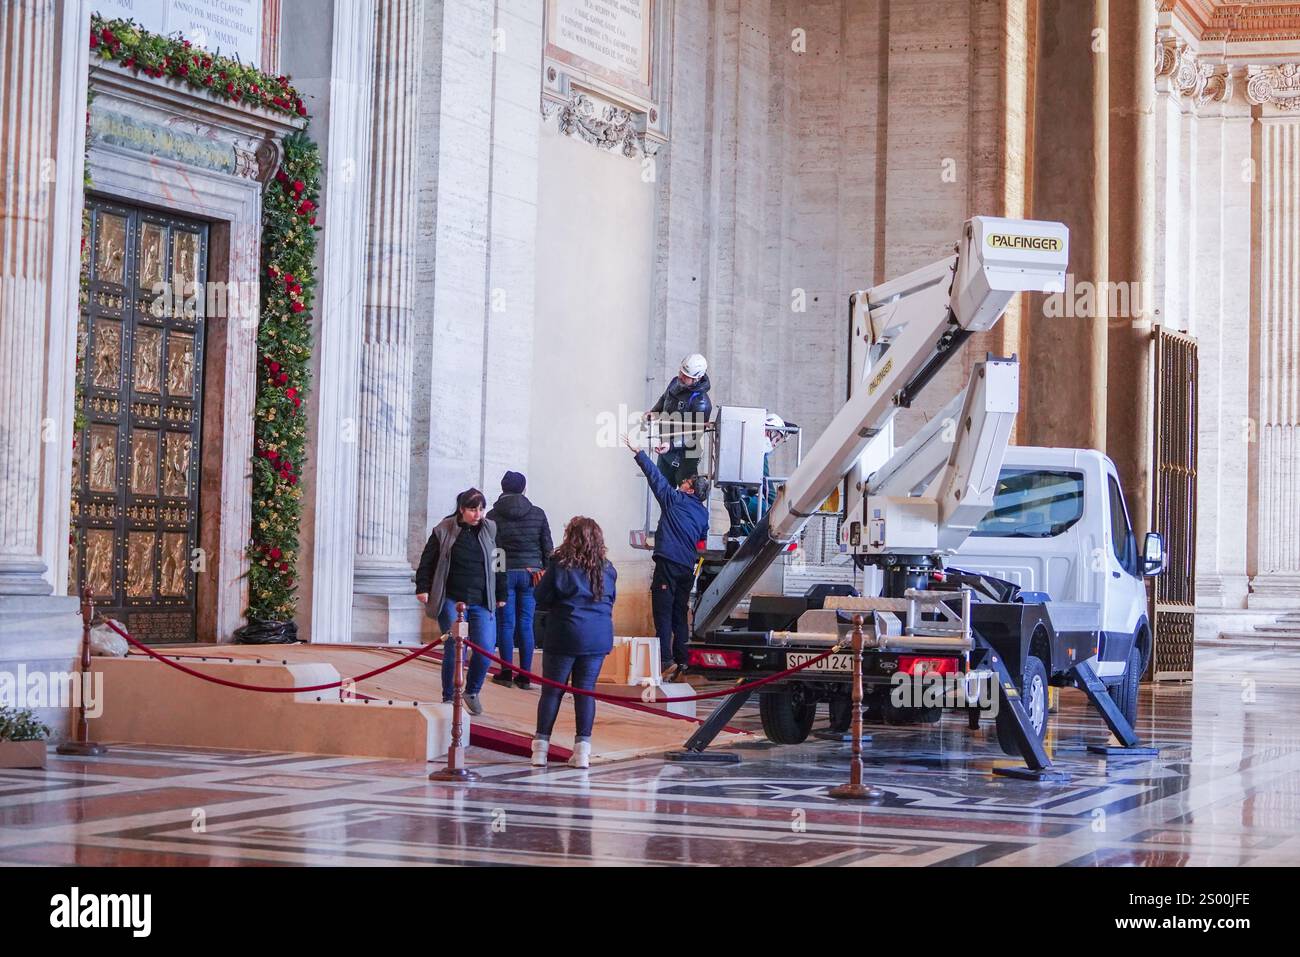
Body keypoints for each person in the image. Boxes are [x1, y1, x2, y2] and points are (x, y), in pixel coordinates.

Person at [531, 517, 617, 770]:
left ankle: (540, 750)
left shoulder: (560, 564)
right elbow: (611, 598)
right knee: (585, 691)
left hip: (565, 632)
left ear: (570, 537)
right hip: (597, 634)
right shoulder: (608, 567)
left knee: (552, 691)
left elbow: (541, 597)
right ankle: (582, 753)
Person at [624, 433, 710, 681]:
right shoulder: (703, 515)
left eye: (685, 482)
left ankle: (664, 660)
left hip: (668, 564)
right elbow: (702, 540)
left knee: (662, 613)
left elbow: (655, 478)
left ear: (690, 489)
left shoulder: (674, 500)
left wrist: (638, 452)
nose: (681, 482)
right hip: (687, 568)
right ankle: (682, 660)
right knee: (679, 614)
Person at [415, 488, 507, 716]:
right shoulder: (444, 529)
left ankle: (472, 691)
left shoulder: (492, 529)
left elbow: (500, 563)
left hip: (481, 600)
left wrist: (502, 593)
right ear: (461, 509)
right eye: (473, 509)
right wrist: (423, 587)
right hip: (452, 599)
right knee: (456, 647)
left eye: (481, 509)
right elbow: (428, 559)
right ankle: (449, 697)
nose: (478, 514)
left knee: (486, 647)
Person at [486, 470, 553, 689]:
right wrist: (544, 570)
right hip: (531, 574)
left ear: (503, 488)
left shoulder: (493, 516)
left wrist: (498, 574)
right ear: (524, 489)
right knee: (526, 624)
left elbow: (494, 550)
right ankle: (524, 676)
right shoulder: (538, 513)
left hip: (505, 571)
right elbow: (547, 547)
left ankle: (506, 673)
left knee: (506, 624)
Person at [645, 353, 713, 487]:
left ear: (697, 378)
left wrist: (671, 444)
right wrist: (654, 413)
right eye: (681, 372)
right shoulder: (675, 382)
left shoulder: (701, 403)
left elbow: (694, 435)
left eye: (686, 376)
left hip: (686, 457)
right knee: (662, 490)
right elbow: (665, 399)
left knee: (683, 498)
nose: (681, 377)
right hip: (666, 450)